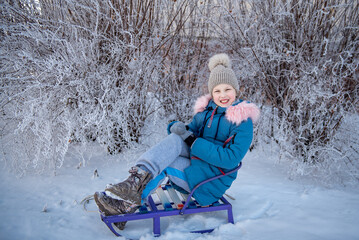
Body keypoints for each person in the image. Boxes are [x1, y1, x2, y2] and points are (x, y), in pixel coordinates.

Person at [94, 53, 260, 229]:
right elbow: (189, 132)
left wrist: (194, 142)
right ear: (212, 93)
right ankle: (134, 181)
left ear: (236, 90)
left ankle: (127, 204)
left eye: (227, 89)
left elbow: (231, 158)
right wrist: (178, 128)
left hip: (211, 180)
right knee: (173, 141)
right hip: (197, 166)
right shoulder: (206, 112)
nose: (223, 95)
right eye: (217, 91)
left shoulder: (242, 120)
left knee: (165, 164)